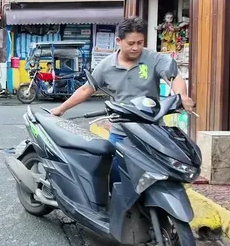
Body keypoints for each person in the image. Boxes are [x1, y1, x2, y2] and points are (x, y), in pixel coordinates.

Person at [51, 17, 195, 184]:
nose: (136, 48)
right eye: (131, 43)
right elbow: (86, 89)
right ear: (119, 41)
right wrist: (61, 109)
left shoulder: (153, 59)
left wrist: (182, 96)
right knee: (111, 173)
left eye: (140, 43)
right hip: (121, 132)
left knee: (161, 174)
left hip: (152, 130)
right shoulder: (106, 66)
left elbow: (174, 78)